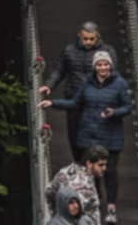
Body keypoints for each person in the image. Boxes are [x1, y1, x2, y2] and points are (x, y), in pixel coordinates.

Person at [39, 50, 131, 225]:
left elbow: (127, 107)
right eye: (99, 64)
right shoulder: (86, 83)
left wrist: (114, 112)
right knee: (92, 172)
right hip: (91, 134)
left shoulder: (119, 83)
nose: (103, 67)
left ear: (110, 66)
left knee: (110, 170)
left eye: (106, 64)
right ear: (95, 67)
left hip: (111, 136)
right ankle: (95, 202)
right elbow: (75, 103)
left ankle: (111, 208)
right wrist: (53, 103)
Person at [39, 21, 117, 163]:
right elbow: (59, 70)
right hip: (74, 99)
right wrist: (49, 85)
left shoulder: (107, 52)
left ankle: (94, 166)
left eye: (92, 39)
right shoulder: (69, 51)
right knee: (75, 135)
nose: (88, 42)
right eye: (85, 38)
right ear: (79, 36)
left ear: (97, 36)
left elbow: (113, 75)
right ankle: (80, 163)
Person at [45, 146, 109, 225]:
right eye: (100, 165)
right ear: (89, 164)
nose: (104, 168)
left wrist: (53, 213)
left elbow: (49, 191)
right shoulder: (85, 186)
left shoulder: (64, 172)